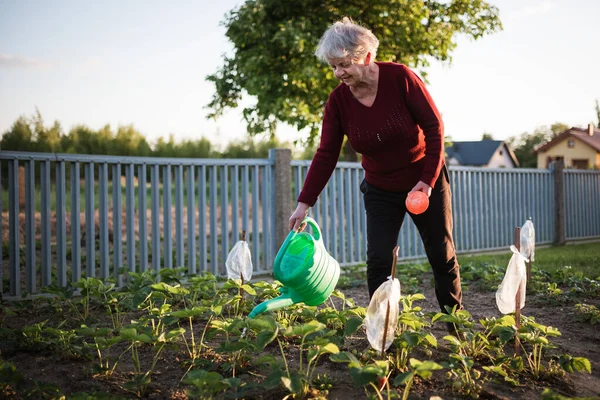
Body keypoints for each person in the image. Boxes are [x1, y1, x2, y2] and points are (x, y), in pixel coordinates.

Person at [288, 17, 463, 317]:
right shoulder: (338, 101)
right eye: (333, 66)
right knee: (379, 261)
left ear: (367, 57)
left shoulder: (401, 78)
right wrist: (304, 203)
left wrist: (428, 180)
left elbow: (434, 128)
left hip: (423, 180)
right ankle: (381, 330)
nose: (337, 73)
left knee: (441, 255)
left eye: (344, 64)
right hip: (380, 188)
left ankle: (454, 325)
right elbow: (326, 153)